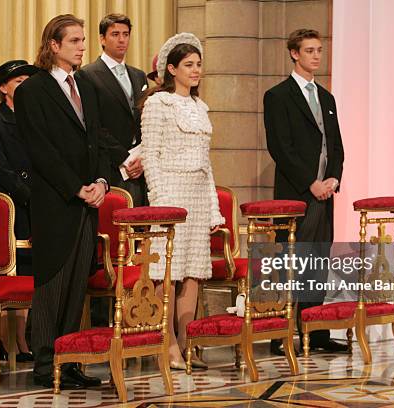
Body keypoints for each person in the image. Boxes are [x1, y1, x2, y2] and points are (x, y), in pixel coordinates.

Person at [14, 14, 110, 389]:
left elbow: (98, 140)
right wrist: (75, 187)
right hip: (56, 202)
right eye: (74, 41)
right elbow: (41, 150)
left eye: (83, 40)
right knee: (53, 282)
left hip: (86, 202)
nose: (81, 47)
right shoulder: (32, 91)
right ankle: (44, 365)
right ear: (53, 45)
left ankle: (69, 361)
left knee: (76, 286)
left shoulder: (85, 86)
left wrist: (101, 181)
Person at [140, 33, 224, 370]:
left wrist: (214, 207)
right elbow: (150, 155)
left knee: (193, 270)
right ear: (171, 69)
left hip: (198, 194)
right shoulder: (158, 104)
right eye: (188, 65)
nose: (196, 70)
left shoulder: (200, 107)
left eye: (199, 64)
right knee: (168, 272)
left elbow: (207, 161)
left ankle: (187, 340)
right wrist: (160, 200)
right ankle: (168, 343)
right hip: (171, 193)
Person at [264, 29, 346, 356]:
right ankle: (282, 333)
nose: (316, 56)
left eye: (319, 50)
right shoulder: (278, 96)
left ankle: (315, 331)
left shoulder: (327, 97)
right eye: (309, 50)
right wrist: (309, 182)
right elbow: (280, 148)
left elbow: (336, 145)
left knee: (318, 259)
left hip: (325, 194)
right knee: (291, 261)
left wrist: (334, 178)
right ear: (294, 54)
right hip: (297, 193)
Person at [0, 59, 39, 363]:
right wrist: (29, 194)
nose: (25, 86)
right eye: (18, 81)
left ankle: (22, 339)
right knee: (10, 267)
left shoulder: (36, 118)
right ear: (3, 88)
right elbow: (1, 167)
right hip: (11, 203)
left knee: (29, 266)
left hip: (36, 199)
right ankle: (4, 339)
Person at [79, 13, 147, 207]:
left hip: (140, 166)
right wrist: (124, 158)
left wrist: (141, 157)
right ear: (102, 38)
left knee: (143, 227)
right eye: (115, 34)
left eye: (125, 34)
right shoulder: (88, 74)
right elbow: (94, 125)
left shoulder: (138, 75)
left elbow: (144, 120)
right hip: (110, 165)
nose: (121, 40)